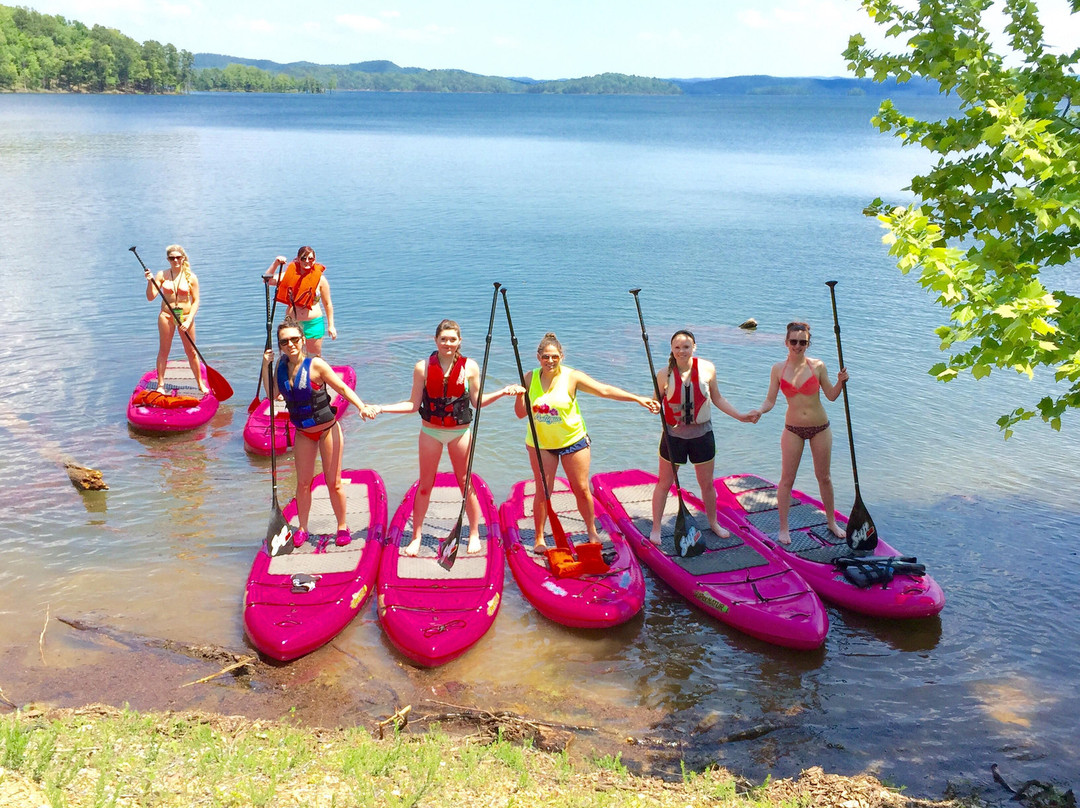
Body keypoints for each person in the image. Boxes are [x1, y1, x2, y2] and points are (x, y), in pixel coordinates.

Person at [372, 319, 523, 556]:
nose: (448, 343)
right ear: (435, 341)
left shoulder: (470, 367)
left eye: (453, 339)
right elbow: (413, 405)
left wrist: (504, 392)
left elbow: (477, 401)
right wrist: (381, 408)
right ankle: (416, 536)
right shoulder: (422, 368)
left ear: (459, 341)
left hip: (459, 433)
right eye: (443, 339)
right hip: (430, 431)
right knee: (425, 485)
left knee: (465, 483)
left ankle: (473, 533)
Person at [517, 332, 661, 551]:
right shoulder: (529, 377)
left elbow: (603, 390)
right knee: (543, 491)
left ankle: (592, 531)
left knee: (582, 488)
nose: (550, 361)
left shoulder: (572, 377)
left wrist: (638, 399)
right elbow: (520, 414)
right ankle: (539, 538)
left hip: (573, 441)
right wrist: (520, 394)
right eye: (546, 357)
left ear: (561, 356)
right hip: (541, 444)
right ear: (538, 357)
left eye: (554, 356)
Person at [263, 320, 376, 548]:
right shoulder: (280, 367)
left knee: (333, 483)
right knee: (303, 483)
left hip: (327, 431)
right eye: (284, 342)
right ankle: (303, 528)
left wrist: (361, 406)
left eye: (295, 339)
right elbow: (272, 394)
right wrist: (265, 366)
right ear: (280, 345)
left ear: (303, 340)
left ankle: (342, 526)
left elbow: (342, 388)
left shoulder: (316, 365)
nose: (290, 344)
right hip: (304, 433)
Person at [650, 329, 759, 545]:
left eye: (686, 346)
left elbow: (717, 399)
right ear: (672, 349)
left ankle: (713, 523)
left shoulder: (707, 369)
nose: (682, 351)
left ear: (694, 347)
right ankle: (656, 528)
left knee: (707, 484)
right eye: (677, 347)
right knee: (664, 483)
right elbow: (656, 401)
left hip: (703, 435)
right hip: (674, 437)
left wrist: (740, 416)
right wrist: (653, 406)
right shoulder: (664, 374)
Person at [753, 321, 849, 545]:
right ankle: (784, 528)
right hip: (792, 429)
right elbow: (770, 400)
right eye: (794, 341)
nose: (798, 346)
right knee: (787, 479)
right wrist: (759, 411)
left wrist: (841, 382)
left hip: (820, 428)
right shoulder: (778, 369)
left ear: (808, 343)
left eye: (802, 342)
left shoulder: (817, 366)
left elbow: (832, 396)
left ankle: (831, 522)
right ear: (786, 342)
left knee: (824, 477)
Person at [144, 245, 206, 394]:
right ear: (168, 259)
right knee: (164, 350)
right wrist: (149, 281)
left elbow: (196, 301)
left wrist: (188, 320)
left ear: (183, 258)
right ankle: (160, 385)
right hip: (166, 315)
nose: (176, 260)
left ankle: (199, 383)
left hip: (185, 317)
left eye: (178, 257)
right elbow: (150, 297)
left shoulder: (191, 277)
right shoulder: (162, 275)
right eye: (172, 258)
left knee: (191, 351)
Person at [262, 246, 336, 357]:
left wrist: (331, 325)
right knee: (292, 357)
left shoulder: (320, 279)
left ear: (314, 260)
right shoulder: (290, 275)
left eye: (310, 259)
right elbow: (267, 280)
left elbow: (327, 303)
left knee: (314, 357)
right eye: (303, 258)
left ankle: (315, 374)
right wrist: (276, 263)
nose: (307, 261)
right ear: (298, 259)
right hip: (293, 323)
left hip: (313, 323)